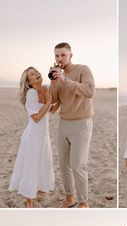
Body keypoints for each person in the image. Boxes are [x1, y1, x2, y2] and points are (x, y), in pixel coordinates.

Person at [49, 42, 95, 208]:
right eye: (57, 55)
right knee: (63, 164)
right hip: (63, 123)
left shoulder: (83, 70)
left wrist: (64, 79)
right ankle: (70, 197)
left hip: (82, 123)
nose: (60, 58)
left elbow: (89, 91)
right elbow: (53, 100)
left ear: (70, 56)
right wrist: (55, 81)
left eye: (63, 55)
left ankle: (84, 201)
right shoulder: (57, 74)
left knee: (78, 165)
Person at [9, 67, 54, 208]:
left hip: (44, 135)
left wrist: (56, 100)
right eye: (32, 74)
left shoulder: (46, 89)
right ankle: (28, 200)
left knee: (41, 162)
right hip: (33, 136)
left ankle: (37, 190)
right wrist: (48, 102)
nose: (36, 74)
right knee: (31, 165)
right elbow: (36, 117)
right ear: (28, 82)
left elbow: (51, 110)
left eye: (36, 72)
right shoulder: (31, 93)